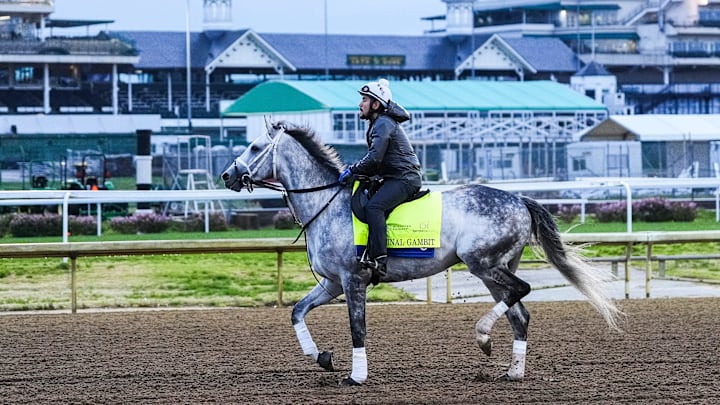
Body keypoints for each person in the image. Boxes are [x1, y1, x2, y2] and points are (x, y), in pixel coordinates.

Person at [338, 78, 422, 280]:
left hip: (404, 179)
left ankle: (380, 260)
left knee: (374, 207)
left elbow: (375, 157)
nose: (360, 104)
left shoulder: (383, 123)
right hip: (396, 176)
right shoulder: (380, 122)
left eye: (365, 100)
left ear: (376, 104)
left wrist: (353, 170)